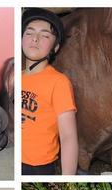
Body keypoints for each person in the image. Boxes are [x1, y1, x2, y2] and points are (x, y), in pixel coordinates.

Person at [22, 8, 78, 175]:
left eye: (45, 35)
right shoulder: (16, 77)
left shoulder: (59, 82)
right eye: (29, 32)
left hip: (37, 167)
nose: (35, 38)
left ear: (55, 47)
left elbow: (68, 137)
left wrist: (67, 180)